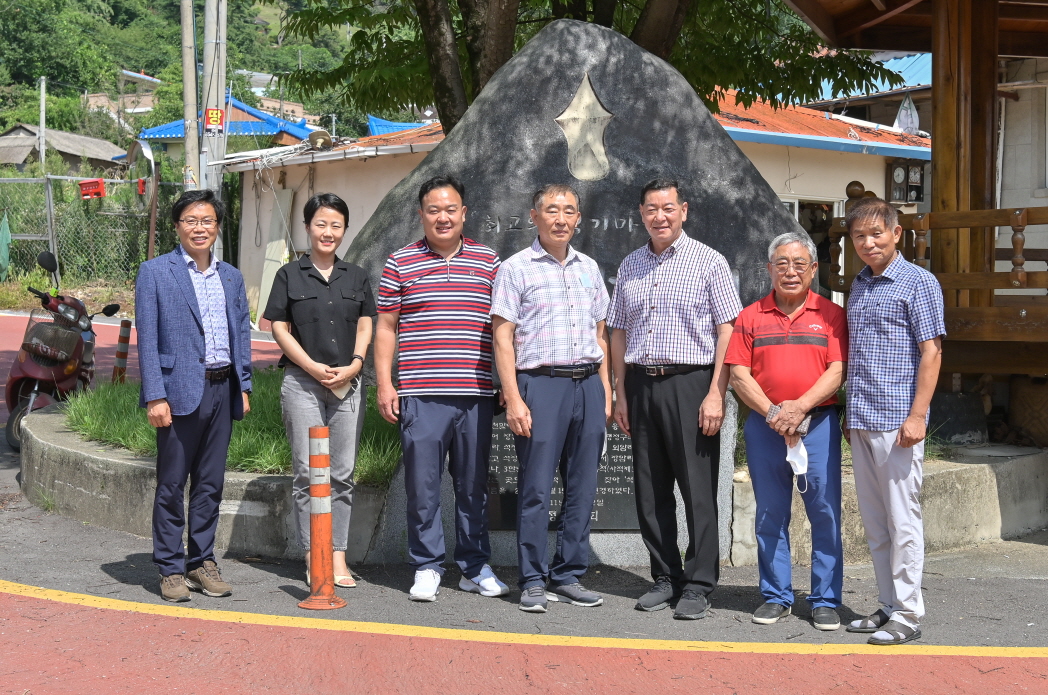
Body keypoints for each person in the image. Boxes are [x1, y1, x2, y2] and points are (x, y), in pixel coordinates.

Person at [608, 178, 741, 620]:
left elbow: (728, 329)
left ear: (683, 210)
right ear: (641, 214)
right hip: (641, 384)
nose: (659, 216)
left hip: (692, 384)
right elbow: (618, 331)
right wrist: (620, 391)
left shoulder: (709, 261)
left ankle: (699, 583)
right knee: (650, 489)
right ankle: (665, 576)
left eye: (668, 208)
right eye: (651, 209)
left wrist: (716, 393)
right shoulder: (630, 264)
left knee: (697, 489)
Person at [375, 175, 509, 602]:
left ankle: (474, 566)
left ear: (464, 213)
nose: (443, 217)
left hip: (476, 394)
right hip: (421, 394)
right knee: (423, 486)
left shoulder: (489, 261)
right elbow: (386, 327)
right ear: (421, 214)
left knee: (473, 486)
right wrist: (385, 384)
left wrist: (507, 383)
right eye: (434, 210)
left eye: (451, 209)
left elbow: (504, 328)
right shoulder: (400, 262)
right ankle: (427, 565)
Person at [490, 183, 612, 614]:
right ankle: (533, 578)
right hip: (540, 386)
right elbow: (502, 337)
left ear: (578, 218)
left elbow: (600, 333)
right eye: (552, 210)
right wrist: (513, 397)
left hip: (588, 385)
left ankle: (569, 574)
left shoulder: (589, 268)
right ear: (534, 216)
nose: (561, 219)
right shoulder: (515, 269)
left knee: (582, 486)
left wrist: (606, 390)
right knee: (536, 487)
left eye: (569, 211)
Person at [725, 231, 847, 631]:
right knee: (770, 512)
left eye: (799, 264)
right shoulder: (750, 316)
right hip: (766, 427)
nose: (790, 272)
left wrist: (799, 408)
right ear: (769, 269)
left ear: (813, 269)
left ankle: (825, 599)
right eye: (782, 264)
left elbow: (837, 370)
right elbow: (739, 374)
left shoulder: (831, 315)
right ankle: (776, 595)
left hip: (817, 424)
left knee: (824, 512)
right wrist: (776, 414)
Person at [135, 189, 252, 603]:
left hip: (222, 388)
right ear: (177, 226)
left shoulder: (231, 276)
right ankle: (170, 568)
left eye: (207, 221)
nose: (199, 228)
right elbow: (147, 338)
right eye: (191, 220)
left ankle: (201, 562)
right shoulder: (155, 272)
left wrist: (244, 384)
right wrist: (155, 395)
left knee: (210, 483)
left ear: (217, 226)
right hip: (179, 391)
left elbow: (241, 331)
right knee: (172, 483)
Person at [843, 197, 944, 646]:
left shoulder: (918, 282)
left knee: (903, 521)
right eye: (859, 236)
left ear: (896, 233)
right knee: (876, 522)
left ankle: (908, 613)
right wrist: (850, 413)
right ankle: (887, 603)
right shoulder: (860, 284)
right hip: (862, 418)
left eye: (876, 234)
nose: (868, 243)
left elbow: (932, 352)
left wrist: (918, 415)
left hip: (898, 421)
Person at [263, 193, 376, 588]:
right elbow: (278, 327)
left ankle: (338, 556)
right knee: (309, 474)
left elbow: (367, 322)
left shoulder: (357, 276)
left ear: (344, 230)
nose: (328, 232)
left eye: (336, 225)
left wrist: (356, 363)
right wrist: (310, 366)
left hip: (348, 384)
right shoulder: (289, 275)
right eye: (321, 224)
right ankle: (314, 555)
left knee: (342, 474)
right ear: (308, 227)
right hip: (303, 384)